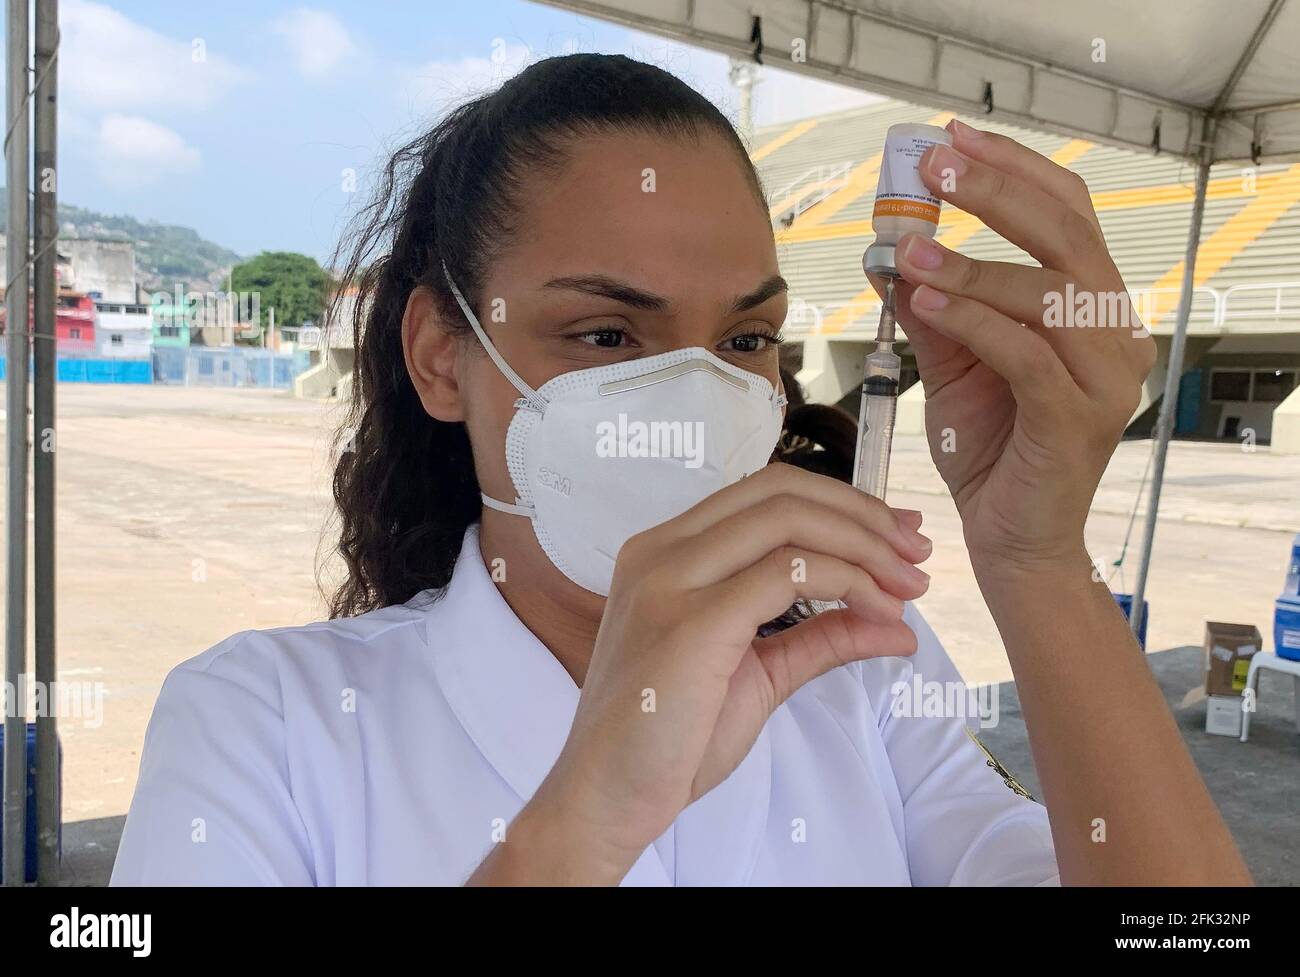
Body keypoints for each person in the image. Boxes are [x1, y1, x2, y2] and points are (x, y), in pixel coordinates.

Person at [111, 54, 1250, 886]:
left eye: (745, 341)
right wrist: (581, 820)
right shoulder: (266, 723)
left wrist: (1038, 560)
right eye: (606, 336)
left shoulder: (857, 676)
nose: (693, 407)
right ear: (440, 357)